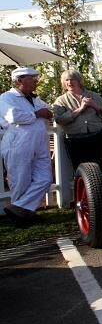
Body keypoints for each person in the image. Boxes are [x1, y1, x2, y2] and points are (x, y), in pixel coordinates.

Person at [0, 67, 53, 225]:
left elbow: (48, 110)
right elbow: (13, 116)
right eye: (31, 78)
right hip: (18, 143)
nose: (35, 81)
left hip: (39, 142)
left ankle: (18, 208)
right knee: (20, 180)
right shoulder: (6, 97)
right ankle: (23, 215)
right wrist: (37, 114)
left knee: (45, 178)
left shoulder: (35, 99)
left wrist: (43, 113)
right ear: (19, 80)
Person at [53, 69, 102, 170]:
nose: (69, 82)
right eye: (66, 80)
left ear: (79, 81)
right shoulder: (61, 100)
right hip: (76, 140)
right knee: (80, 170)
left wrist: (95, 106)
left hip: (96, 137)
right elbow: (60, 119)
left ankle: (100, 186)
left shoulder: (93, 96)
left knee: (99, 168)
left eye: (72, 79)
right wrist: (80, 109)